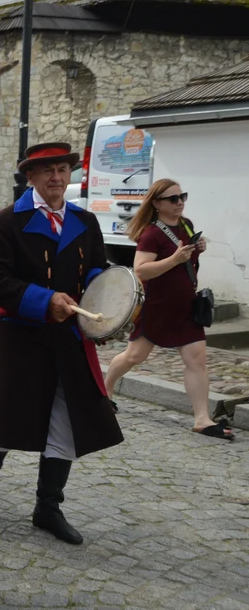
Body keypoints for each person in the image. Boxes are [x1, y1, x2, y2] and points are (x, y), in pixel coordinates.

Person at [0, 142, 124, 546]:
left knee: (67, 417)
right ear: (31, 177)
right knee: (6, 416)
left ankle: (48, 506)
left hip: (69, 337)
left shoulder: (84, 220)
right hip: (20, 334)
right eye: (47, 171)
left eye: (62, 170)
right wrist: (46, 302)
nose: (56, 178)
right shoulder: (8, 220)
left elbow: (96, 268)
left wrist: (111, 299)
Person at [103, 180, 231, 440]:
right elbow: (141, 269)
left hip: (185, 306)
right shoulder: (151, 234)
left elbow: (187, 260)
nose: (180, 202)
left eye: (182, 196)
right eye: (173, 199)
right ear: (157, 204)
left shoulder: (186, 225)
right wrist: (175, 258)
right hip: (157, 307)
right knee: (134, 357)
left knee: (197, 360)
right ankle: (104, 390)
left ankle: (202, 419)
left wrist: (198, 250)